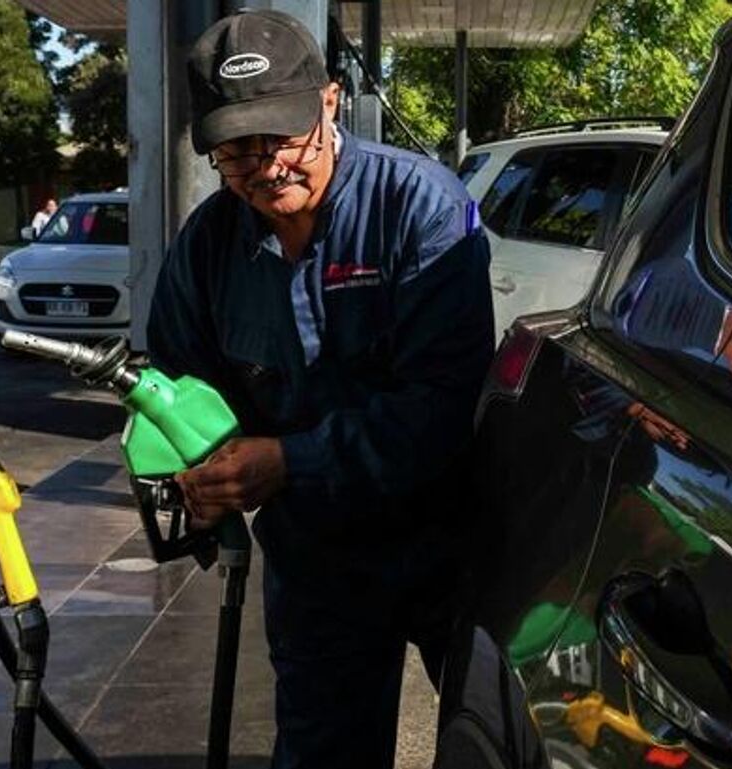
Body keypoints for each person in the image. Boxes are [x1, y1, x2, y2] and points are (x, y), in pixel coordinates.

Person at [145, 9, 494, 767]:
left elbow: (440, 407)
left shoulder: (423, 208)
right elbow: (172, 385)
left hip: (450, 543)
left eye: (282, 138)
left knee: (494, 744)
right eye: (236, 150)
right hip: (318, 563)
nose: (266, 167)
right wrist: (195, 471)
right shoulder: (206, 247)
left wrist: (287, 460)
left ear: (330, 102)